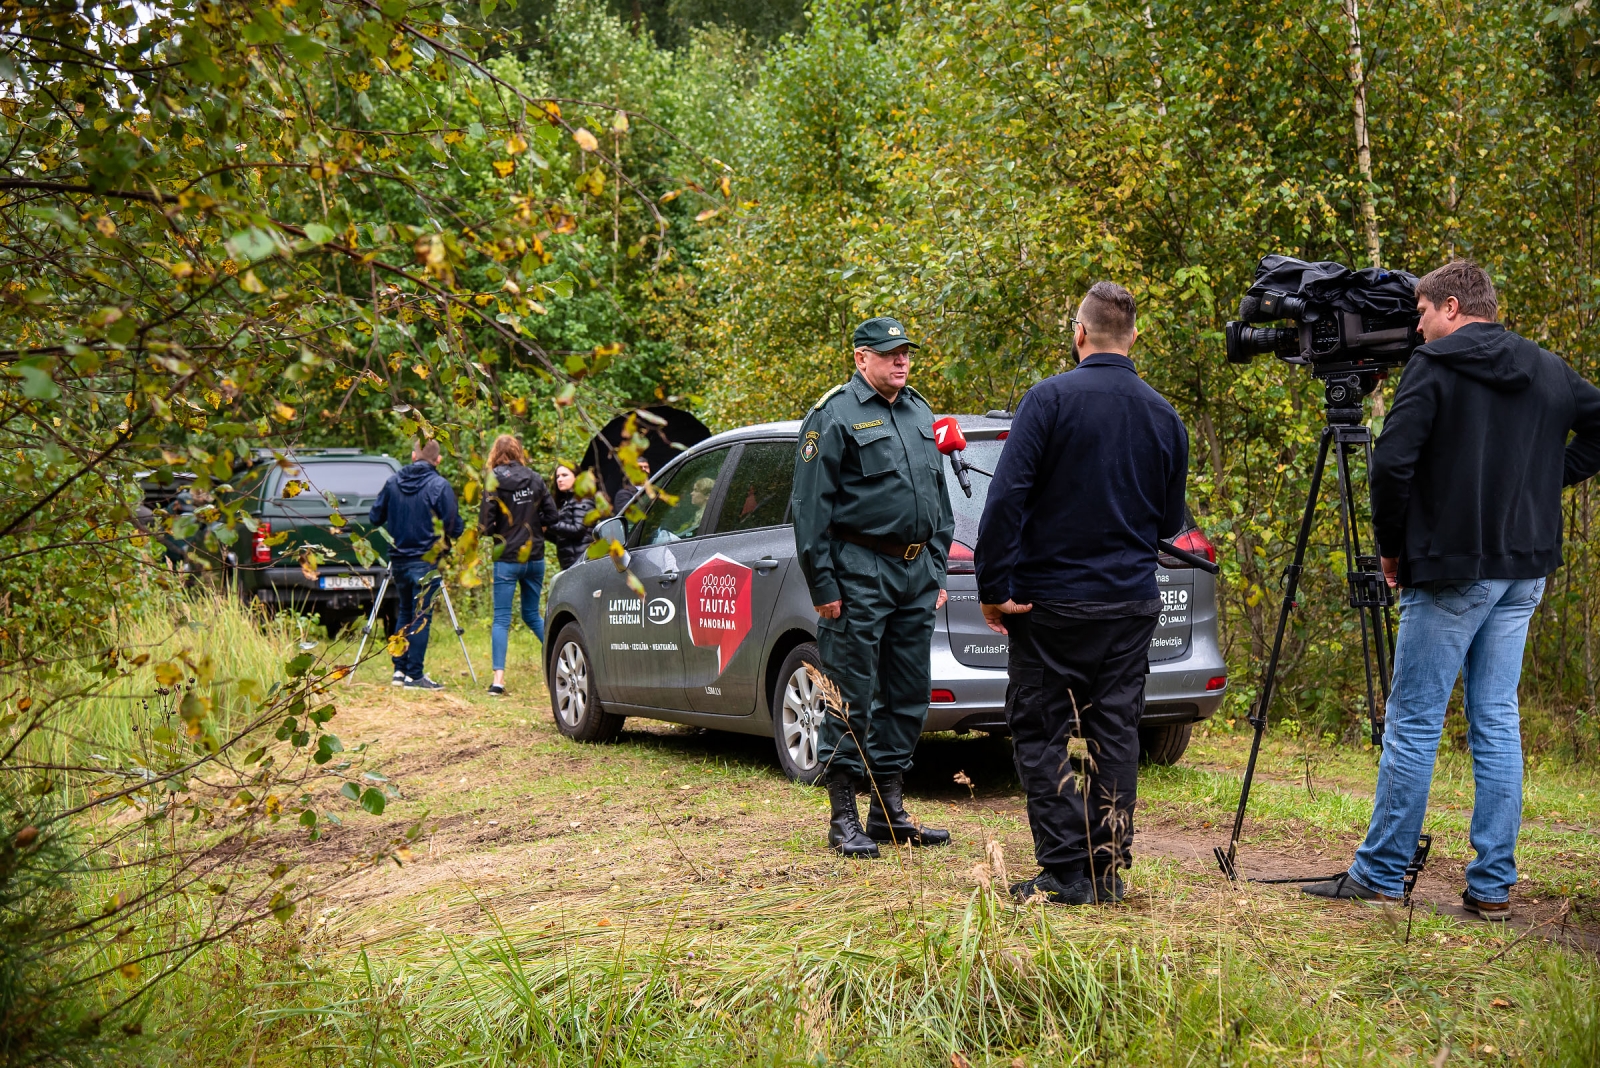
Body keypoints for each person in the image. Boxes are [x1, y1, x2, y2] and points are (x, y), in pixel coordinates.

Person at [1303, 260, 1600, 919]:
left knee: (1413, 721)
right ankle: (1492, 888)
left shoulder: (1432, 369)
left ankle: (1379, 872)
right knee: (1495, 719)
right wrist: (1543, 482)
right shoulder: (1548, 368)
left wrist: (1390, 548)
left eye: (1421, 313)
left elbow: (1392, 466)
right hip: (1523, 567)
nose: (1416, 325)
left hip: (1452, 569)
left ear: (1453, 307)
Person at [976, 282, 1189, 906]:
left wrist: (994, 587)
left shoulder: (1048, 401)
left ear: (1079, 334)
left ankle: (1067, 870)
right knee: (1117, 730)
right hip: (1129, 604)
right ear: (1134, 339)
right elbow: (1169, 523)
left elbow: (1006, 498)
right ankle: (1107, 871)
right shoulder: (1164, 415)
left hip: (1051, 605)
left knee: (1041, 731)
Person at [791, 315, 955, 858]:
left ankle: (888, 813)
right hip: (858, 570)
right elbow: (809, 511)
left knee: (908, 694)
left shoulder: (919, 411)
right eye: (889, 354)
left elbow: (938, 498)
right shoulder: (833, 415)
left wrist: (935, 566)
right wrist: (823, 585)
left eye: (905, 353)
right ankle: (843, 818)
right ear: (861, 358)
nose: (901, 361)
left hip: (914, 575)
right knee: (850, 695)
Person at [369, 439, 465, 690]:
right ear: (438, 460)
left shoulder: (392, 483)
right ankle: (414, 675)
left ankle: (399, 670)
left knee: (405, 612)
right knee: (421, 616)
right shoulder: (439, 486)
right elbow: (454, 528)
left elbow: (374, 517)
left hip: (399, 559)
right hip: (426, 559)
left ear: (413, 456)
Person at [479, 434, 559, 696]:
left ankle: (498, 681)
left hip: (507, 559)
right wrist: (536, 526)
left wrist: (500, 529)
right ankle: (561, 660)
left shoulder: (493, 481)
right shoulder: (535, 478)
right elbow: (553, 515)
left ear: (496, 454)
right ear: (518, 452)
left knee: (502, 619)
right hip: (534, 556)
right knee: (532, 614)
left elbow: (485, 526)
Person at [549, 463, 594, 570]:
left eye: (565, 475)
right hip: (571, 561)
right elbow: (563, 536)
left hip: (581, 561)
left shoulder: (582, 500)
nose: (559, 479)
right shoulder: (567, 502)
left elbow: (578, 530)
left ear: (577, 477)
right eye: (557, 476)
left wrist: (550, 524)